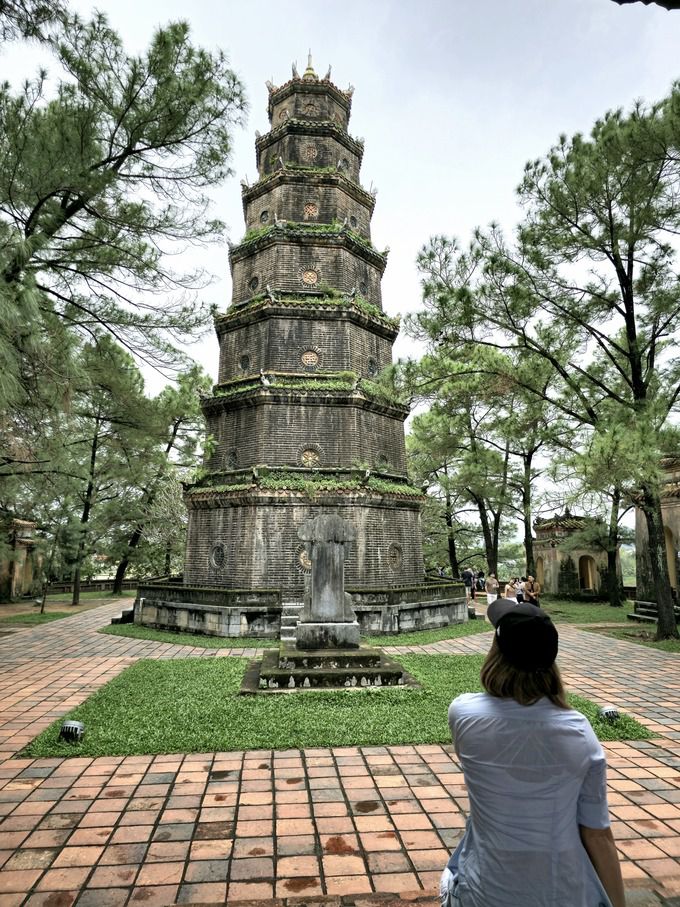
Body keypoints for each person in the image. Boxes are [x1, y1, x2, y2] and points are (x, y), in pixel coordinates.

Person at [440, 599, 625, 907]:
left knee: (454, 869)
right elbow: (597, 834)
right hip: (562, 894)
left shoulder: (463, 714)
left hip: (483, 893)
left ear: (496, 653)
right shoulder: (578, 732)